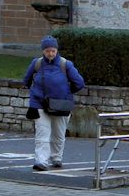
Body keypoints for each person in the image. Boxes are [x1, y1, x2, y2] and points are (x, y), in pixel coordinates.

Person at [22, 35, 85, 171]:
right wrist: (34, 97)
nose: (50, 53)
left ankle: (56, 157)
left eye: (53, 51)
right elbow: (26, 80)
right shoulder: (37, 63)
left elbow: (79, 83)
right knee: (42, 134)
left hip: (61, 104)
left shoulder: (65, 64)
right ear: (43, 51)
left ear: (56, 50)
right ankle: (41, 161)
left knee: (58, 134)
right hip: (40, 104)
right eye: (47, 51)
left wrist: (67, 92)